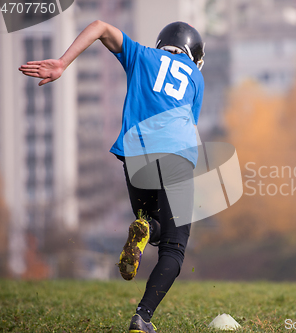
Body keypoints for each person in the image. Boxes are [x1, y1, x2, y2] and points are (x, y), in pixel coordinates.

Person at [19, 20, 205, 333]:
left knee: (152, 220)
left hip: (135, 154)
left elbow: (100, 26)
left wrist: (62, 63)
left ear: (162, 44)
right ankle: (142, 317)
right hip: (175, 157)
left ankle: (146, 227)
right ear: (193, 55)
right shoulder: (196, 77)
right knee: (174, 247)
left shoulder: (143, 55)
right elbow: (189, 124)